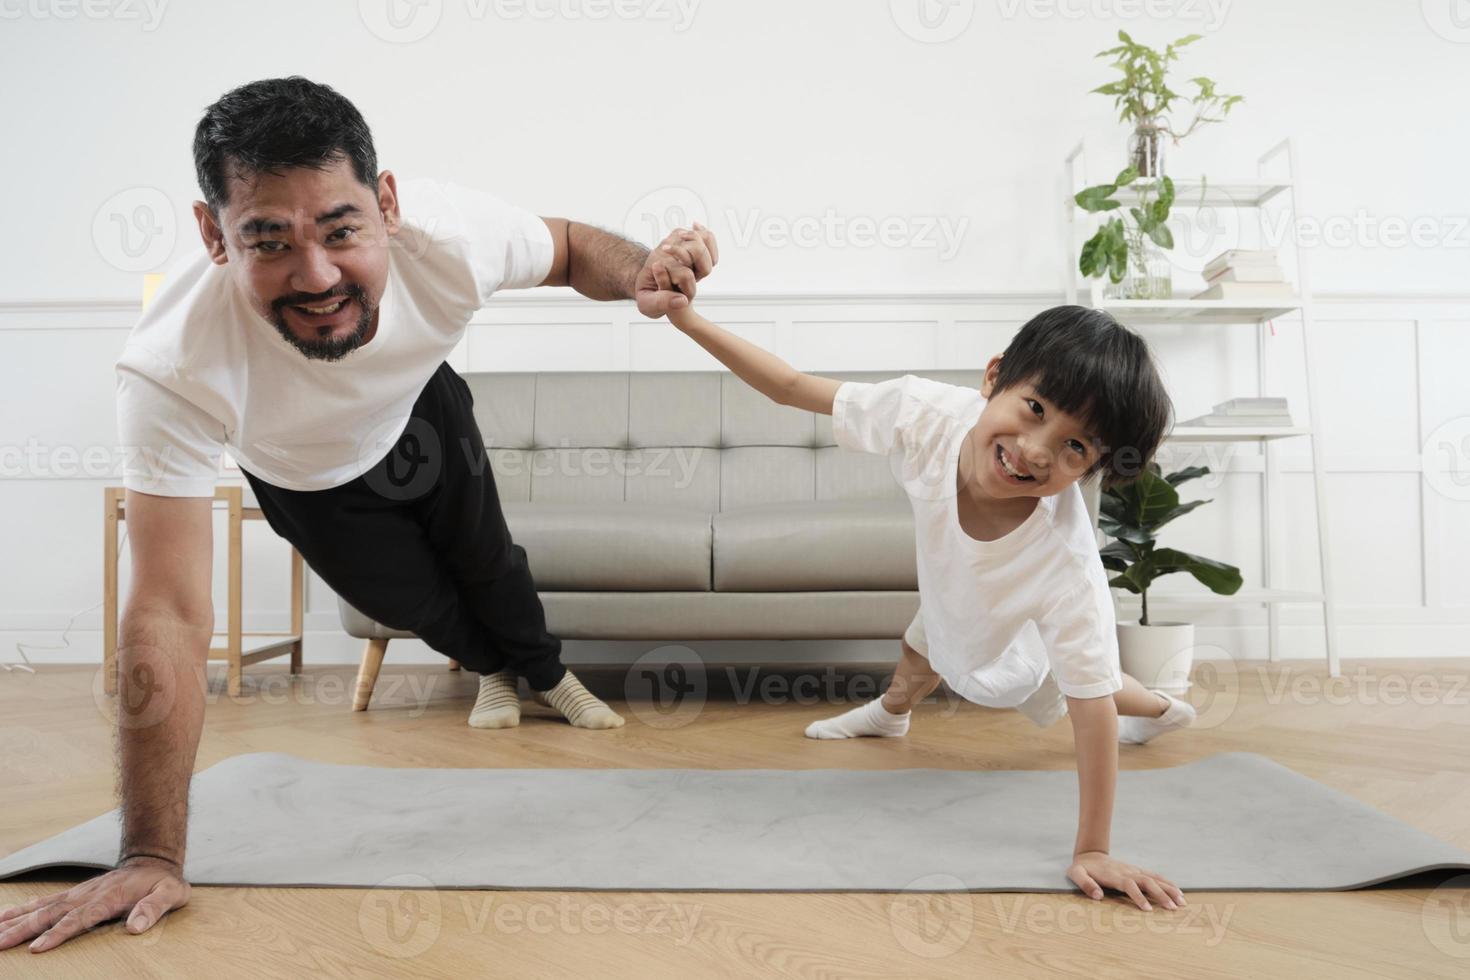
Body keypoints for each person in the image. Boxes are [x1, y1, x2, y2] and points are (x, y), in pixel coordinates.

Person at [0, 76, 718, 954]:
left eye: (342, 231)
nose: (318, 275)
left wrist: (639, 272)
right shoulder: (170, 364)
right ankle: (497, 668)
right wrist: (151, 852)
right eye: (269, 240)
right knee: (424, 606)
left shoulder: (449, 235)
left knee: (487, 557)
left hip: (424, 411)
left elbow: (569, 247)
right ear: (211, 236)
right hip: (306, 482)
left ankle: (547, 676)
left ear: (386, 203)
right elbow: (169, 609)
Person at [662, 287, 1191, 912]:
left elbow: (1091, 707)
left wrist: (1093, 848)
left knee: (1043, 677)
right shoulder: (926, 411)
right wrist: (683, 316)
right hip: (957, 585)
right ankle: (890, 715)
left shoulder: (1064, 565)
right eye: (1034, 407)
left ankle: (1159, 706)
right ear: (993, 377)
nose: (1036, 449)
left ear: (1094, 467)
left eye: (1076, 446)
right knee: (924, 639)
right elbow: (790, 385)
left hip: (1012, 641)